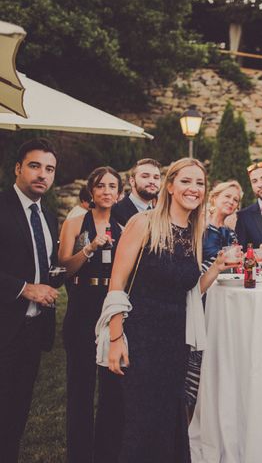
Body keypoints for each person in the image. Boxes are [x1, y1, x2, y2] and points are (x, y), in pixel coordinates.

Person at [104, 158, 233, 462]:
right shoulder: (143, 223)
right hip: (140, 337)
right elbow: (117, 284)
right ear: (170, 186)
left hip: (176, 340)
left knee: (169, 420)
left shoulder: (194, 231)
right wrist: (115, 338)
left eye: (200, 183)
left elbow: (188, 292)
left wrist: (215, 268)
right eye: (186, 181)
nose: (194, 188)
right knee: (141, 423)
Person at [58, 167, 123, 463]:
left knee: (112, 391)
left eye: (112, 186)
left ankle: (106, 454)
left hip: (111, 309)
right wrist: (90, 248)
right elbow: (61, 271)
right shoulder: (75, 223)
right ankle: (79, 455)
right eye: (100, 185)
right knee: (80, 389)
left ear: (120, 193)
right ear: (91, 191)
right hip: (82, 306)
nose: (107, 191)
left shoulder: (125, 226)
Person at [0, 139, 60, 463]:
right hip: (3, 327)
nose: (42, 175)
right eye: (35, 166)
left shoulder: (48, 217)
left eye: (49, 169)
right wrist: (24, 288)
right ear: (18, 168)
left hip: (33, 331)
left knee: (16, 415)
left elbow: (43, 265)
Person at [185, 181, 242, 416]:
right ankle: (190, 409)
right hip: (200, 296)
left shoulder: (231, 232)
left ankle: (213, 407)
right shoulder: (198, 225)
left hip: (224, 300)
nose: (231, 202)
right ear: (213, 198)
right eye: (227, 197)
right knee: (196, 354)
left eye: (235, 200)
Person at [111, 158, 161, 227]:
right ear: (132, 181)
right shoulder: (115, 212)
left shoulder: (162, 212)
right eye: (145, 176)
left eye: (156, 178)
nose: (152, 181)